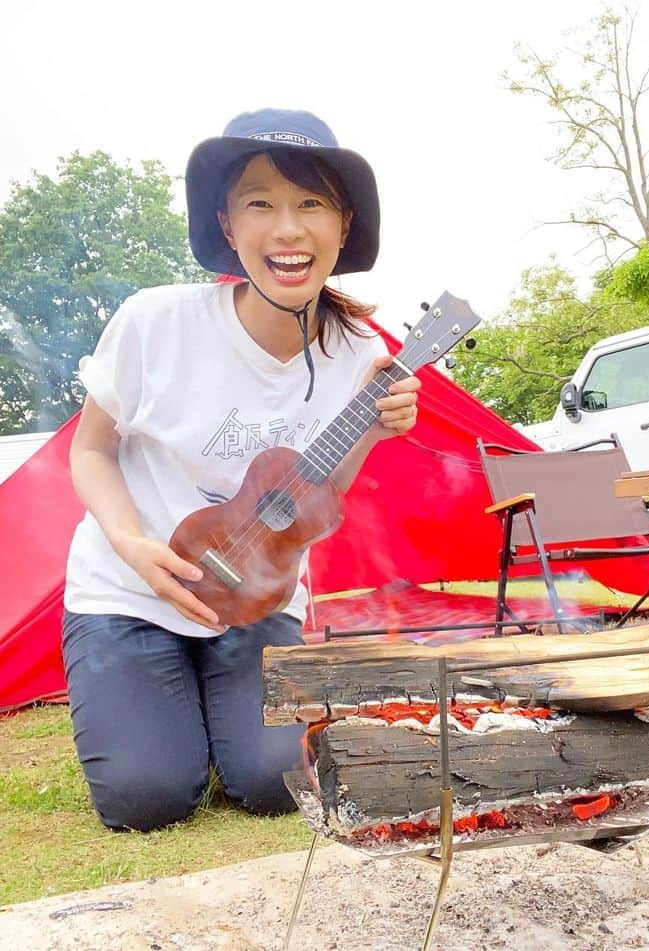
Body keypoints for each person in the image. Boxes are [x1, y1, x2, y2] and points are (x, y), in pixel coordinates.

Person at [62, 109, 421, 832]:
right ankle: (159, 709)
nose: (287, 229)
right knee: (147, 797)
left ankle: (217, 711)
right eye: (261, 203)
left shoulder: (357, 350)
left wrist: (372, 432)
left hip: (257, 599)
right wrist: (133, 543)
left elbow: (316, 501)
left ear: (343, 226)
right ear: (228, 225)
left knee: (274, 782)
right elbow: (91, 450)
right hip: (128, 595)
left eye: (310, 203)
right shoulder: (154, 323)